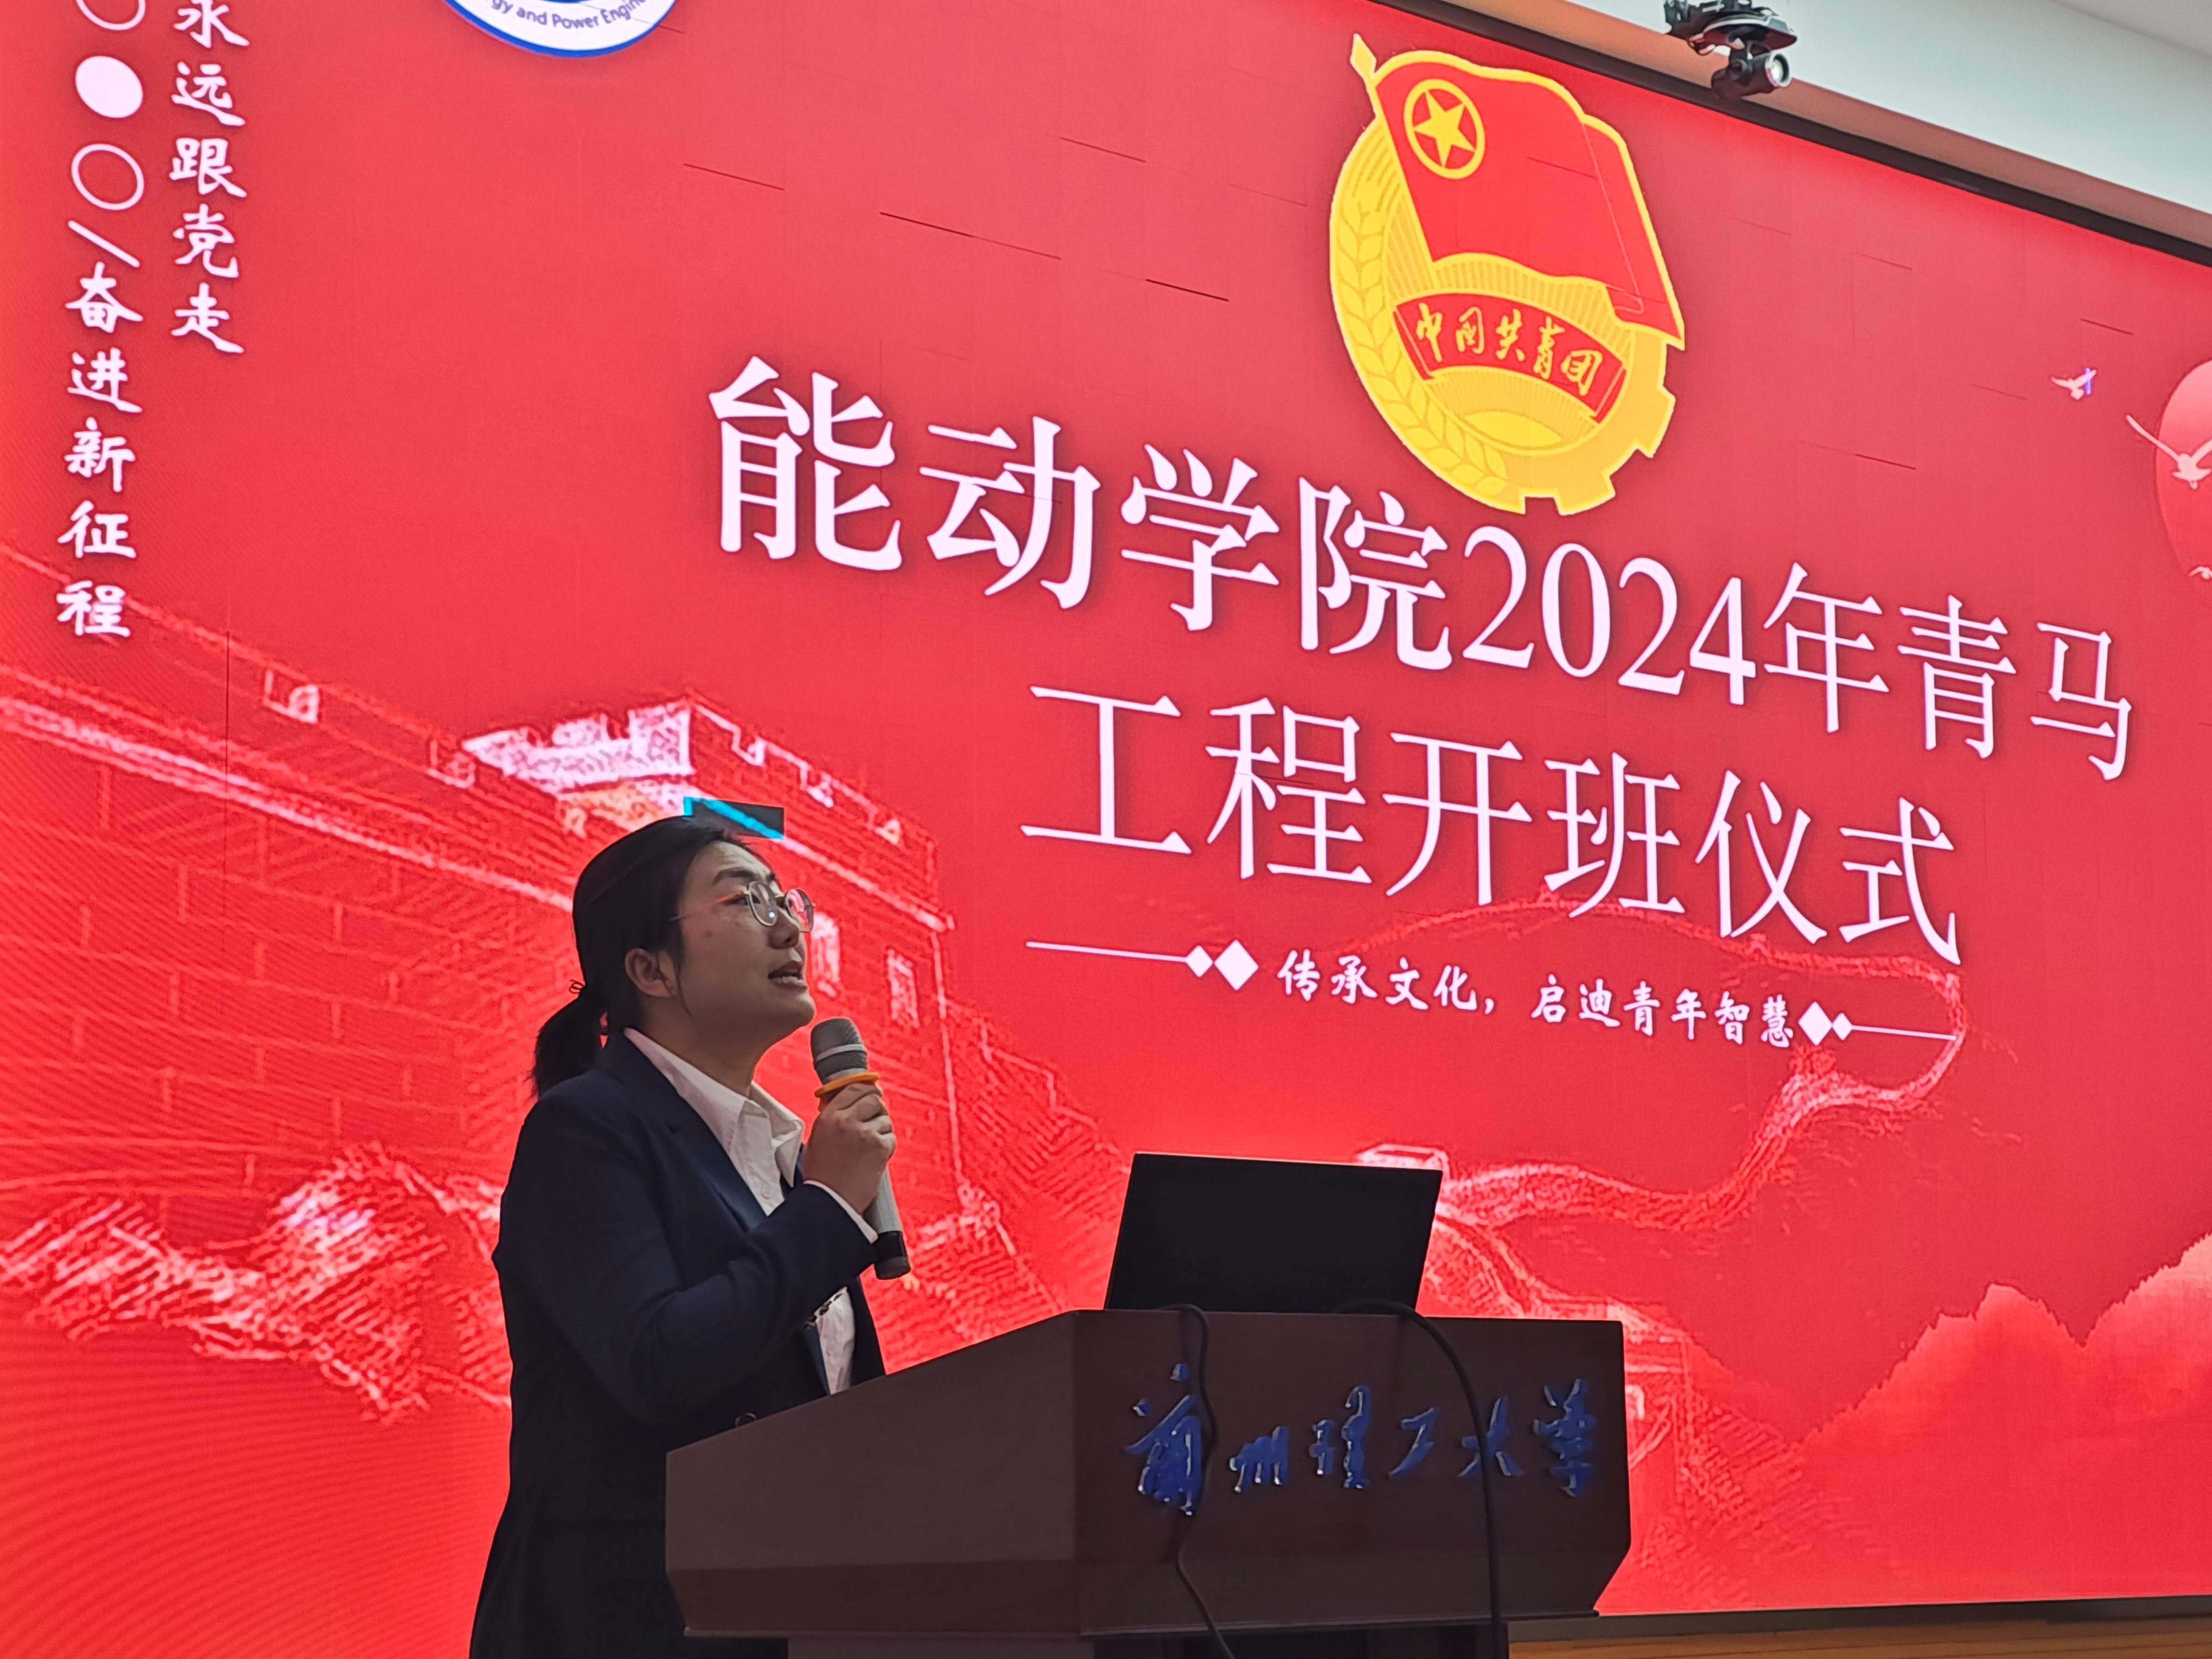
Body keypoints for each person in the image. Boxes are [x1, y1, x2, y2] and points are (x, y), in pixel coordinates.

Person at [470, 814, 896, 1659]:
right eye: (743, 901)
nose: (788, 927)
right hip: (634, 1621)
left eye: (786, 901)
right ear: (650, 969)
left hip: (793, 1613)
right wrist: (827, 1210)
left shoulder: (782, 1155)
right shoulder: (585, 1129)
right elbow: (658, 1361)